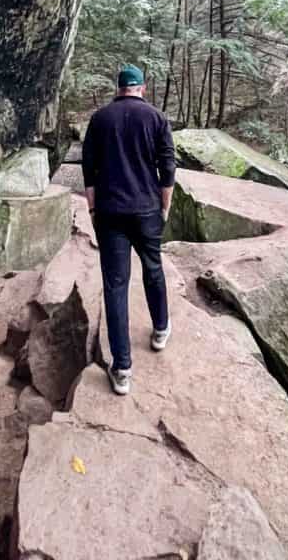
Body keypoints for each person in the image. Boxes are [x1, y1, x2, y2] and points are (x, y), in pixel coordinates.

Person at [82, 63, 176, 396]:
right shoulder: (155, 118)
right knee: (153, 268)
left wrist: (92, 207)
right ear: (142, 88)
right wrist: (165, 205)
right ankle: (161, 328)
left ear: (118, 87)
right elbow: (167, 166)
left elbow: (88, 168)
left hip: (110, 210)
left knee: (116, 285)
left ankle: (122, 369)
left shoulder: (99, 119)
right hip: (147, 208)